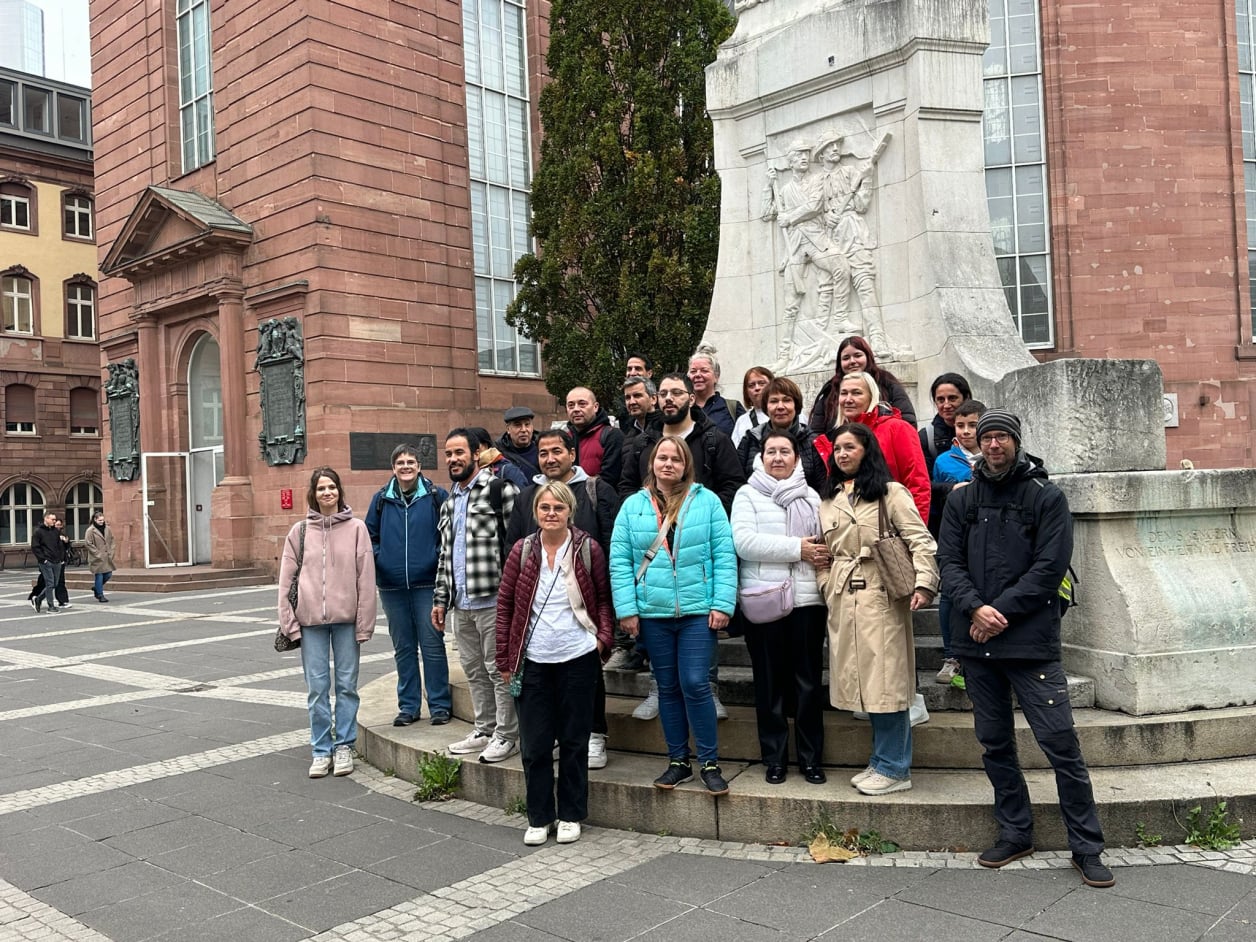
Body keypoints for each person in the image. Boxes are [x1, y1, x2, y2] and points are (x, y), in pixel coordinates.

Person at [938, 409, 1114, 888]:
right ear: (978, 443)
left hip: (1030, 643)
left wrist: (997, 614)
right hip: (977, 642)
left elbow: (1049, 567)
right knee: (994, 743)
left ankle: (1087, 846)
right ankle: (1015, 833)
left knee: (1061, 744)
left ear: (1016, 441)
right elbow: (948, 562)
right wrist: (976, 609)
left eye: (1002, 437)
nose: (994, 445)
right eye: (987, 437)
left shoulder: (1045, 496)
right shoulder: (962, 499)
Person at [610, 436, 738, 796]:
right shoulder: (633, 506)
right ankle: (678, 760)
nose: (668, 464)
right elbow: (620, 561)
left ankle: (709, 762)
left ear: (686, 466)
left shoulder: (707, 501)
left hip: (698, 610)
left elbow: (724, 555)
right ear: (652, 463)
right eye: (662, 458)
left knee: (696, 683)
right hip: (653, 611)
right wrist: (627, 609)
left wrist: (722, 604)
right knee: (666, 687)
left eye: (676, 459)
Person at [818, 423, 938, 796]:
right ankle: (880, 759)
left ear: (866, 450)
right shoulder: (829, 500)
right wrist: (826, 584)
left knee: (887, 682)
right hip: (844, 597)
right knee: (862, 682)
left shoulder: (891, 492)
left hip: (882, 595)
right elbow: (822, 552)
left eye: (850, 447)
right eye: (837, 448)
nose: (842, 454)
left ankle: (895, 767)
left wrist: (924, 582)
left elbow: (919, 539)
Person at [496, 481, 615, 846]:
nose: (551, 513)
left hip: (577, 658)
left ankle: (571, 814)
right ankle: (540, 816)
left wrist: (602, 640)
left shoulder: (588, 549)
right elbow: (506, 607)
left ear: (569, 512)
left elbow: (603, 599)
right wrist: (505, 659)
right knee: (534, 745)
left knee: (575, 742)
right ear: (536, 512)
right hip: (533, 661)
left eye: (558, 508)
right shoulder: (522, 551)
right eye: (545, 507)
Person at [505, 428, 622, 768]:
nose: (550, 458)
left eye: (557, 451)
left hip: (588, 600)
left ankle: (595, 734)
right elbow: (512, 545)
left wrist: (605, 629)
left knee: (587, 678)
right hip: (540, 609)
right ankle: (558, 735)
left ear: (572, 454)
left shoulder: (596, 489)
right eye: (543, 453)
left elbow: (611, 543)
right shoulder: (527, 496)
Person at [731, 429, 830, 785]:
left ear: (796, 458)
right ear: (761, 458)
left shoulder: (812, 496)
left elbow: (823, 543)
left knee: (808, 683)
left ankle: (811, 758)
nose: (777, 457)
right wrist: (797, 548)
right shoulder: (747, 494)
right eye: (770, 451)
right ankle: (774, 758)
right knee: (769, 683)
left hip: (807, 601)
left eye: (784, 451)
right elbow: (744, 542)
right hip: (766, 599)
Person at [278, 467, 377, 779]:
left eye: (331, 487)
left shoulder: (357, 528)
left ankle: (344, 745)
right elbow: (285, 581)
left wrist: (365, 623)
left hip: (346, 621)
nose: (327, 493)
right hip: (310, 623)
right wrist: (289, 622)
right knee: (317, 689)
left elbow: (365, 578)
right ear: (314, 493)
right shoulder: (299, 532)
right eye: (321, 488)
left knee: (347, 686)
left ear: (339, 491)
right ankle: (321, 749)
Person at [433, 428, 521, 763]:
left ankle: (507, 735)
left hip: (493, 600)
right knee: (473, 670)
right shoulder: (449, 501)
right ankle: (484, 729)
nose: (453, 459)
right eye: (448, 454)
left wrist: (513, 599)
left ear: (475, 454)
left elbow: (517, 548)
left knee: (499, 671)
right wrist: (440, 599)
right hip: (461, 603)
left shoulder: (500, 490)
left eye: (459, 453)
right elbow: (446, 554)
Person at [365, 444, 452, 728]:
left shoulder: (436, 496)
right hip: (392, 587)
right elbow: (369, 536)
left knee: (432, 645)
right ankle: (409, 706)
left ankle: (439, 705)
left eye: (411, 462)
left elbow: (447, 535)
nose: (406, 466)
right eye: (400, 462)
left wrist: (435, 558)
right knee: (403, 648)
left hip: (427, 584)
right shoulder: (381, 499)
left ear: (419, 466)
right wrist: (382, 559)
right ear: (393, 468)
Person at [619, 373, 746, 514]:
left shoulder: (715, 440)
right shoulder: (642, 442)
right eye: (663, 394)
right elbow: (627, 486)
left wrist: (702, 514)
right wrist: (644, 515)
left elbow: (733, 486)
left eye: (676, 393)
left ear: (691, 399)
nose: (668, 398)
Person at [823, 371, 930, 523]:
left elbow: (918, 484)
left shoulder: (898, 429)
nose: (848, 399)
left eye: (856, 393)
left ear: (871, 396)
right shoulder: (838, 437)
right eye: (844, 393)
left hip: (891, 524)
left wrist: (915, 530)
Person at [930, 399, 986, 685]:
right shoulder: (944, 461)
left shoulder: (995, 456)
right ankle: (952, 656)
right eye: (960, 425)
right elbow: (932, 496)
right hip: (954, 536)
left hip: (987, 539)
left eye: (972, 425)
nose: (965, 431)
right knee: (950, 594)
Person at [809, 335, 916, 431]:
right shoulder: (830, 390)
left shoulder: (887, 383)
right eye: (846, 358)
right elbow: (815, 431)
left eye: (857, 355)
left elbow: (907, 423)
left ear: (868, 356)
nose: (852, 361)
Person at [737, 376, 826, 491]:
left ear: (796, 405)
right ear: (766, 407)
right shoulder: (751, 439)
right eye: (774, 401)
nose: (780, 407)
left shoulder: (813, 441)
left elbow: (824, 487)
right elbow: (738, 482)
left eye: (786, 400)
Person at [919, 373, 974, 537]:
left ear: (966, 398)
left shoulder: (988, 430)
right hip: (944, 520)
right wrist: (951, 488)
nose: (946, 405)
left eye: (952, 398)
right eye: (940, 400)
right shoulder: (927, 437)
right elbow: (922, 483)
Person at [565, 386, 625, 486]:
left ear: (595, 407)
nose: (576, 409)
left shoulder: (612, 435)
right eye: (571, 405)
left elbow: (609, 477)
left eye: (582, 404)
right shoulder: (564, 439)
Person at [688, 348, 744, 437]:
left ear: (716, 376)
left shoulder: (733, 408)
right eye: (693, 371)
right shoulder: (683, 408)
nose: (698, 375)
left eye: (704, 370)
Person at [730, 366, 774, 447]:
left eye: (762, 383)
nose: (757, 388)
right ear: (746, 392)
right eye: (751, 385)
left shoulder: (787, 413)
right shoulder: (742, 421)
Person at [31, 511, 65, 614]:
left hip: (57, 561)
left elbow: (59, 545)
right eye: (52, 519)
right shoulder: (38, 532)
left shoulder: (55, 531)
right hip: (46, 561)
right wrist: (43, 559)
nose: (54, 521)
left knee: (54, 583)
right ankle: (51, 606)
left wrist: (61, 558)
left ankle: (38, 599)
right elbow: (35, 547)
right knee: (50, 583)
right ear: (46, 519)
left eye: (55, 519)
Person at [498, 406, 541, 479]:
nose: (524, 430)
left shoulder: (542, 447)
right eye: (518, 425)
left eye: (527, 424)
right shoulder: (499, 452)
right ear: (508, 429)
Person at [85, 511, 116, 603]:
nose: (102, 522)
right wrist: (97, 553)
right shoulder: (90, 530)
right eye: (99, 520)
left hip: (107, 556)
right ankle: (100, 595)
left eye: (102, 520)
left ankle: (96, 587)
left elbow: (112, 540)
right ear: (95, 520)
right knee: (99, 575)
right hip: (96, 558)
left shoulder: (107, 529)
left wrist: (112, 551)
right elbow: (88, 543)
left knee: (108, 574)